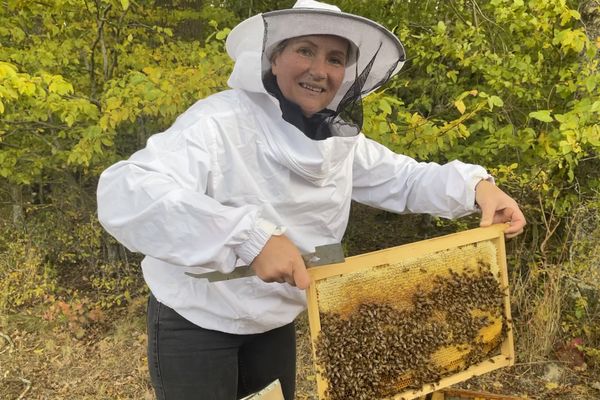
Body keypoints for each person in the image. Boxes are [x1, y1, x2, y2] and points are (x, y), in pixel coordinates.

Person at [96, 1, 526, 399]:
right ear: (274, 57)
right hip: (195, 320)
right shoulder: (218, 122)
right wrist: (250, 238)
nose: (320, 70)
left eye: (335, 59)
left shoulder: (336, 140)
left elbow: (405, 178)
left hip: (275, 322)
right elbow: (127, 192)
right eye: (306, 50)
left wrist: (475, 187)